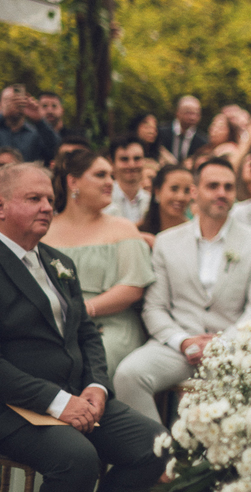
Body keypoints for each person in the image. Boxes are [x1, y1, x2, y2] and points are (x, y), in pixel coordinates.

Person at [0, 163, 167, 492]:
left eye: (50, 199)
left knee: (157, 446)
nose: (47, 207)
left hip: (76, 395)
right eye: (34, 199)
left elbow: (86, 333)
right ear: (1, 207)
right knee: (77, 460)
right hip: (12, 405)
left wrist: (96, 385)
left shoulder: (57, 262)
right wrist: (57, 401)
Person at [113, 157, 251, 424]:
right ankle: (160, 449)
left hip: (231, 347)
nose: (221, 193)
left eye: (228, 187)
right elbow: (154, 307)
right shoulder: (167, 242)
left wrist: (223, 342)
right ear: (194, 192)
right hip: (177, 346)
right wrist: (182, 341)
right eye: (213, 186)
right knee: (128, 375)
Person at [41, 149, 154, 375]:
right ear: (73, 182)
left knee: (89, 360)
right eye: (101, 175)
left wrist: (84, 310)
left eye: (111, 176)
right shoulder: (44, 231)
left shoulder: (122, 228)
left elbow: (133, 287)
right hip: (53, 324)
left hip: (111, 324)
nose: (110, 182)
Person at [0, 85, 59, 165]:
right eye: (8, 100)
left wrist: (39, 121)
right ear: (0, 104)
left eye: (19, 100)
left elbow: (56, 150)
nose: (14, 104)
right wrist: (3, 115)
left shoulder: (35, 134)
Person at [103, 134, 149, 225]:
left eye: (137, 159)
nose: (131, 165)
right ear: (112, 162)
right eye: (124, 159)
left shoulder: (151, 201)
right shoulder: (103, 200)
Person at [139, 163, 193, 237]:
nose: (181, 197)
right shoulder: (138, 232)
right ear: (157, 191)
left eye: (187, 191)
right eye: (174, 189)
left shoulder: (195, 234)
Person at [159, 95, 207, 161]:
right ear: (178, 112)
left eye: (197, 114)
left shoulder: (202, 141)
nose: (193, 117)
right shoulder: (161, 132)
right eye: (189, 113)